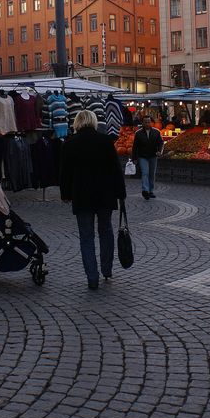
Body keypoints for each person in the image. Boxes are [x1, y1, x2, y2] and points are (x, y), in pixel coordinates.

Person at [60, 110, 126, 289]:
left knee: (86, 237)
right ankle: (107, 269)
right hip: (105, 194)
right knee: (106, 231)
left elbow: (65, 172)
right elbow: (115, 169)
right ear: (94, 122)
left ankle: (92, 276)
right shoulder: (105, 141)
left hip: (82, 196)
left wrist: (65, 194)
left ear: (77, 123)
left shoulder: (70, 143)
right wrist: (121, 193)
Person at [131, 115, 164, 200]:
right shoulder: (138, 133)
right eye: (145, 122)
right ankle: (145, 190)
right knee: (145, 172)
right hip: (143, 156)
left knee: (152, 174)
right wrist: (134, 158)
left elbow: (161, 143)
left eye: (148, 122)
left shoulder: (156, 132)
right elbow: (135, 147)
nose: (147, 123)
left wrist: (160, 151)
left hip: (153, 156)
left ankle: (151, 191)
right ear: (142, 123)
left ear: (151, 123)